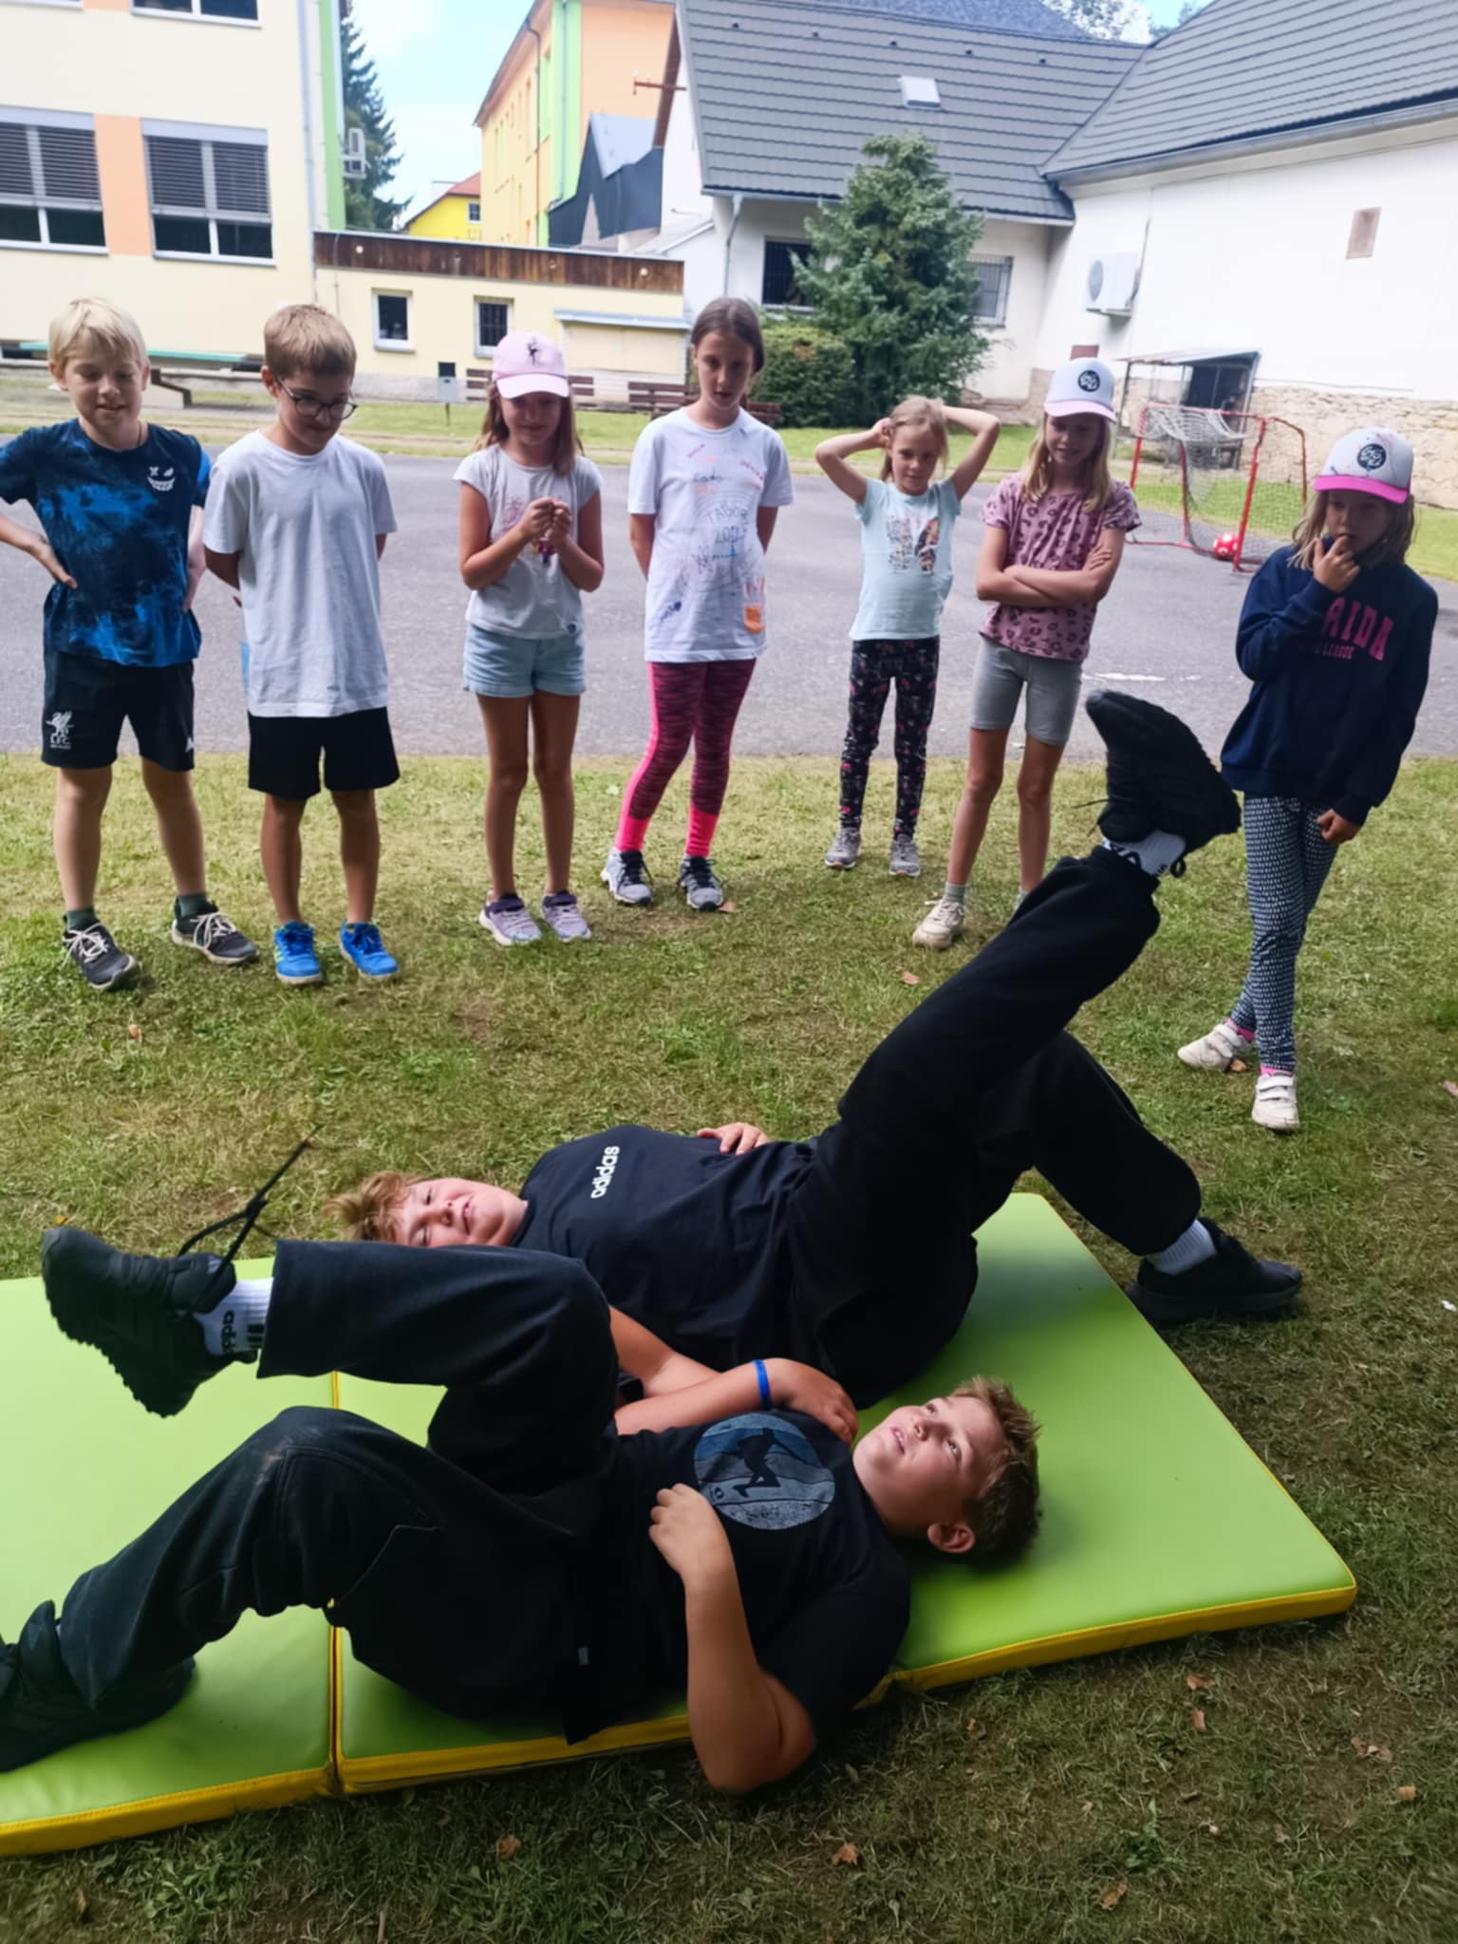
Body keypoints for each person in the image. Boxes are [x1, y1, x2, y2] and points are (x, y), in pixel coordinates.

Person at [337, 696, 1302, 1384]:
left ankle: (1191, 1264)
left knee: (1023, 1064)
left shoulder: (561, 1166)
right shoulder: (528, 1298)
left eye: (426, 1197)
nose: (443, 1211)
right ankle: (1136, 853)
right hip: (830, 1301)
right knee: (907, 1078)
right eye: (427, 1238)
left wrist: (732, 1147)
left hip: (826, 1197)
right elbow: (640, 1394)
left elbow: (684, 1189)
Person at [5, 1225, 1039, 1791]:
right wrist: (761, 1382)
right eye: (936, 1408)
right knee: (564, 1303)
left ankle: (59, 1678)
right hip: (550, 1494)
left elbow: (747, 1757)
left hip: (541, 1621)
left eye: (950, 1445)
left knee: (306, 1465)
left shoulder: (868, 1586)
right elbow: (628, 1424)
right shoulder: (807, 1431)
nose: (922, 1421)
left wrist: (711, 1582)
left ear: (950, 1530)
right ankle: (215, 1326)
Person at [1178, 428, 1436, 1134]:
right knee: (1278, 920)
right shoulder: (1284, 572)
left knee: (1286, 925)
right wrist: (1317, 594)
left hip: (1336, 787)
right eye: (1339, 502)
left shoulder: (1412, 601)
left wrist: (1360, 799)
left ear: (1397, 512)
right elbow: (1256, 658)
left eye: (1369, 507)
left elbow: (1399, 712)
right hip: (1269, 767)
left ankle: (1235, 1031)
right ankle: (1277, 1069)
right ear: (1321, 501)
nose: (1349, 519)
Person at [0, 298, 256, 990]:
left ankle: (193, 910)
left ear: (145, 373)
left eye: (122, 373)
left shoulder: (178, 453)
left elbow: (226, 505)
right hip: (81, 649)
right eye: (90, 373)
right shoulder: (43, 452)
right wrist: (28, 542)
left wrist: (202, 550)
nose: (108, 389)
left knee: (172, 781)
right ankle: (80, 923)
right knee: (84, 785)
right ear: (60, 374)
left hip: (165, 648)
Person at [203, 305, 400, 987]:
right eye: (307, 399)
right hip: (283, 672)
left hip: (355, 671)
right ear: (272, 382)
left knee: (358, 799)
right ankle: (290, 926)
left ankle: (359, 923)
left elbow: (370, 547)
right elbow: (222, 556)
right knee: (284, 804)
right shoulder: (241, 468)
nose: (323, 415)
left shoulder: (364, 468)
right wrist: (271, 596)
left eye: (338, 402)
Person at [914, 358, 1140, 950]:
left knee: (1035, 788)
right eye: (1061, 424)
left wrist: (1021, 572)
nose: (1070, 438)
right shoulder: (1013, 492)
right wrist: (1055, 581)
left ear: (1101, 433)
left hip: (1059, 662)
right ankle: (952, 899)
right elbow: (987, 582)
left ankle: (1029, 905)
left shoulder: (1112, 501)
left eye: (1085, 427)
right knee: (980, 779)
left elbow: (1094, 587)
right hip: (1001, 653)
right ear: (1045, 422)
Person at [602, 299, 794, 914]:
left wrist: (728, 588)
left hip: (737, 626)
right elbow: (642, 532)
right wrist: (677, 593)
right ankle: (625, 852)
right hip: (677, 627)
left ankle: (697, 857)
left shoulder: (765, 445)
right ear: (694, 358)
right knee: (669, 743)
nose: (723, 378)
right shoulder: (661, 437)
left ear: (754, 367)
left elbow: (759, 532)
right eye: (712, 362)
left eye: (737, 365)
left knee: (715, 747)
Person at [456, 332, 604, 946]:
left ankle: (559, 892)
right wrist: (519, 533)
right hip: (499, 640)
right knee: (509, 771)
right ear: (499, 398)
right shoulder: (481, 470)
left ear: (564, 405)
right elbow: (472, 571)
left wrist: (563, 541)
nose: (534, 414)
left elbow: (591, 577)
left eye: (547, 402)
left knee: (555, 770)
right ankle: (501, 897)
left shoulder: (581, 476)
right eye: (522, 401)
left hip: (560, 641)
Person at [815, 397, 1000, 879]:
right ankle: (848, 829)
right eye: (906, 454)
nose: (916, 465)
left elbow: (990, 427)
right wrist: (871, 435)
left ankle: (904, 837)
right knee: (859, 741)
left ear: (938, 456)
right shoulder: (874, 497)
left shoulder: (946, 498)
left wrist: (941, 411)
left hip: (921, 643)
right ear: (890, 451)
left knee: (911, 747)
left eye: (927, 455)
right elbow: (825, 454)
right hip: (873, 641)